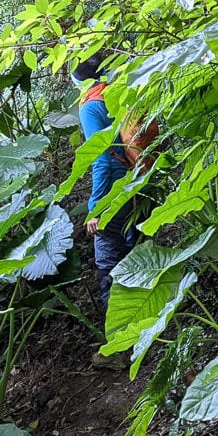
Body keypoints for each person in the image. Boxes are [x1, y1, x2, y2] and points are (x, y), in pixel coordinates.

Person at [72, 55, 138, 329]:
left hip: (115, 194)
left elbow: (101, 159)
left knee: (109, 266)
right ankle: (145, 332)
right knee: (135, 259)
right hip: (137, 183)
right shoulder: (118, 93)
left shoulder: (90, 106)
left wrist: (96, 209)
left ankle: (120, 344)